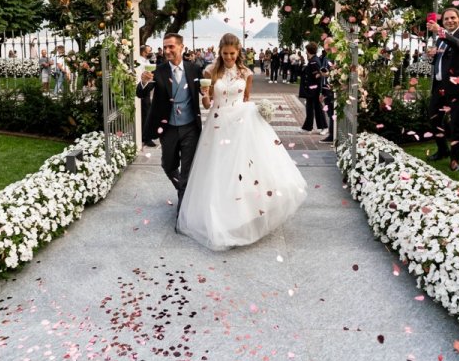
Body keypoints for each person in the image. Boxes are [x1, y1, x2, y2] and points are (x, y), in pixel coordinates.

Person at [177, 33, 307, 250]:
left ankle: (244, 215)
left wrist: (258, 112)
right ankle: (221, 216)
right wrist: (205, 94)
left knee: (244, 169)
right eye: (225, 53)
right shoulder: (210, 72)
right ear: (220, 51)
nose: (228, 57)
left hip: (241, 123)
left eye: (232, 54)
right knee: (220, 170)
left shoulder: (246, 73)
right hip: (218, 124)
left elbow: (246, 98)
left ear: (238, 53)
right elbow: (207, 105)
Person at [137, 33, 204, 213]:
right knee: (168, 165)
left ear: (181, 47)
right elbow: (141, 94)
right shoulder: (158, 71)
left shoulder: (194, 70)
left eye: (171, 47)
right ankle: (184, 190)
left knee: (187, 169)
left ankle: (183, 209)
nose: (167, 50)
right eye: (165, 47)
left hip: (190, 127)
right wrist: (143, 82)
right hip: (168, 128)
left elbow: (205, 93)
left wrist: (207, 91)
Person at [425, 8, 459, 172]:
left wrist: (440, 30)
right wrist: (432, 56)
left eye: (453, 17)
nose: (449, 20)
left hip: (457, 88)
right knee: (434, 119)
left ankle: (454, 158)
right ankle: (443, 150)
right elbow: (441, 61)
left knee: (456, 124)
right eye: (446, 19)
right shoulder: (440, 39)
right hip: (439, 86)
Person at [300, 42, 328, 134]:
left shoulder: (314, 61)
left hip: (313, 90)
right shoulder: (313, 60)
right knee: (311, 108)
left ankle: (323, 127)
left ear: (308, 51)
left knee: (316, 108)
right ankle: (309, 127)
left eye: (306, 50)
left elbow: (319, 76)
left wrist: (319, 91)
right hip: (312, 90)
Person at [136, 44, 157, 147]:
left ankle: (148, 135)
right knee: (146, 113)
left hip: (148, 87)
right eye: (149, 51)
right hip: (142, 88)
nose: (151, 53)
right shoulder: (139, 62)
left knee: (148, 112)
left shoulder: (146, 61)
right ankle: (146, 137)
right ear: (143, 52)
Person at [319, 38, 335, 143]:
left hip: (331, 88)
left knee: (332, 112)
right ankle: (331, 133)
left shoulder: (333, 56)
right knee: (329, 112)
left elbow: (333, 72)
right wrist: (321, 91)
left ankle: (332, 134)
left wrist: (327, 74)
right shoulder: (326, 57)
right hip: (326, 87)